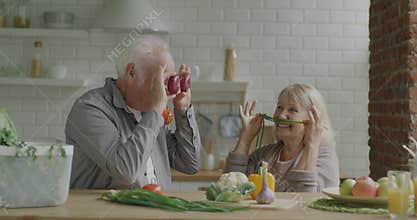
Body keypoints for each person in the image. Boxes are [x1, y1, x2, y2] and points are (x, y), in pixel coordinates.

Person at [65, 37, 201, 189]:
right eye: (162, 79)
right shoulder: (89, 108)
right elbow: (125, 172)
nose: (167, 89)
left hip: (156, 209)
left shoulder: (148, 109)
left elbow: (189, 164)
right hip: (106, 212)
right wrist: (156, 110)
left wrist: (183, 109)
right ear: (132, 72)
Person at [224, 84, 339, 192]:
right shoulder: (262, 155)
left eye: (293, 109)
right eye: (279, 107)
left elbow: (305, 201)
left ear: (313, 119)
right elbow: (231, 189)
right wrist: (245, 138)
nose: (281, 115)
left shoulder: (325, 158)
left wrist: (312, 145)